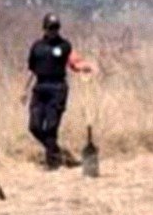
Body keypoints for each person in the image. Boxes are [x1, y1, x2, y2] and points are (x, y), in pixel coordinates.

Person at [20, 13, 96, 169]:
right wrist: (24, 90)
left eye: (56, 28)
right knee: (34, 127)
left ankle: (52, 163)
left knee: (51, 128)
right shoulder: (37, 47)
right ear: (44, 28)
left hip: (58, 88)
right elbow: (31, 70)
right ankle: (59, 154)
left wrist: (85, 67)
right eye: (50, 28)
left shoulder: (64, 45)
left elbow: (74, 62)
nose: (53, 31)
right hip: (40, 88)